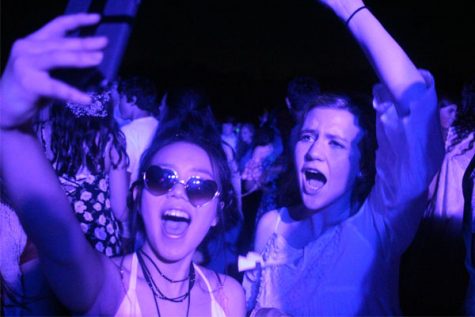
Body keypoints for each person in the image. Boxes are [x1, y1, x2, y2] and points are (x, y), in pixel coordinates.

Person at [0, 13, 245, 316]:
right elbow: (61, 238)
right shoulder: (107, 286)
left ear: (216, 214)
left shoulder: (229, 296)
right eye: (161, 178)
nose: (178, 192)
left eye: (199, 186)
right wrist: (8, 128)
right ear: (137, 196)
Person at [242, 0, 444, 315]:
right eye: (308, 136)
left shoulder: (377, 227)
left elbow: (414, 104)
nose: (313, 151)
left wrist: (348, 8)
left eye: (335, 143)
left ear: (362, 167)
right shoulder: (272, 226)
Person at [118, 76, 160, 186]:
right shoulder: (160, 128)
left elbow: (123, 175)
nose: (119, 104)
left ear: (132, 99)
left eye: (121, 97)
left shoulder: (128, 132)